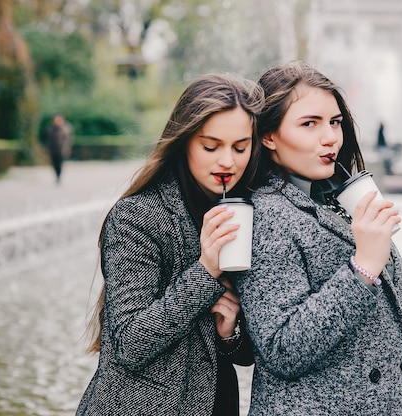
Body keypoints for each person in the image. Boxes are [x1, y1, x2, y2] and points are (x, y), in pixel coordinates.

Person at [235, 61, 402, 415]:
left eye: (335, 122)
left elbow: (376, 339)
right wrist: (363, 267)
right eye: (309, 124)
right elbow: (282, 348)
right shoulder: (267, 216)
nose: (330, 137)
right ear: (268, 136)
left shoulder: (332, 200)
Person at [77, 73, 264, 415]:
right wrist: (206, 271)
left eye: (240, 147)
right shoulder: (139, 216)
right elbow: (130, 342)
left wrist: (229, 335)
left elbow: (253, 351)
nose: (228, 161)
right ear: (185, 141)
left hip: (216, 401)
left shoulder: (248, 212)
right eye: (211, 146)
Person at [45, 113, 73, 184]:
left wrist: (67, 149)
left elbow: (68, 140)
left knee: (60, 164)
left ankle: (58, 176)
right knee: (54, 164)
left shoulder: (65, 128)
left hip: (62, 150)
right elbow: (48, 139)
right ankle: (57, 175)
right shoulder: (51, 129)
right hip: (53, 150)